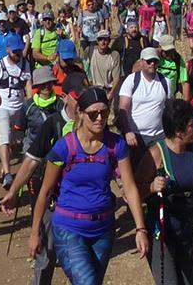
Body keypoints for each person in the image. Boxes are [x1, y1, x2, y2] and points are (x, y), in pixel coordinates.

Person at [29, 87, 149, 284]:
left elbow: (129, 187)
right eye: (93, 114)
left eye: (104, 112)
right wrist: (35, 233)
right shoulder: (64, 147)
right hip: (69, 228)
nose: (100, 118)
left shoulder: (116, 145)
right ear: (81, 114)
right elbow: (46, 191)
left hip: (103, 229)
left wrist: (140, 229)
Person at [1, 73, 87, 285]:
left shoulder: (93, 125)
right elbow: (31, 161)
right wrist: (13, 191)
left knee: (81, 261)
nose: (82, 104)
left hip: (80, 200)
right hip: (50, 194)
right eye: (78, 97)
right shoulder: (53, 124)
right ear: (66, 96)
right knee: (47, 252)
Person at [136, 99, 193, 285]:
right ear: (178, 132)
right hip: (161, 236)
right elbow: (133, 192)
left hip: (187, 233)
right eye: (191, 125)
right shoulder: (156, 154)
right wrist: (152, 187)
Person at [118, 48, 171, 168]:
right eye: (149, 61)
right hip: (136, 137)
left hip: (159, 136)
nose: (152, 64)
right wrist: (127, 132)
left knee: (157, 173)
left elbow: (169, 108)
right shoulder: (131, 80)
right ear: (141, 62)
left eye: (155, 61)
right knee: (136, 172)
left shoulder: (165, 82)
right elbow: (123, 108)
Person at [0, 35, 32, 189]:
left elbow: (28, 84)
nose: (17, 54)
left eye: (19, 51)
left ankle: (6, 164)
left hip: (19, 107)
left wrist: (30, 104)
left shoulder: (25, 64)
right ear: (7, 49)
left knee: (15, 142)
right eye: (14, 51)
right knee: (5, 138)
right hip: (3, 107)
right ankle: (7, 174)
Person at [87, 30, 121, 106]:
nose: (103, 42)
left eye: (105, 39)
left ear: (109, 41)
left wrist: (111, 93)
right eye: (100, 39)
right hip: (93, 89)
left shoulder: (114, 55)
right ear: (97, 41)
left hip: (108, 90)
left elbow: (116, 77)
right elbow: (83, 67)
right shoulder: (90, 51)